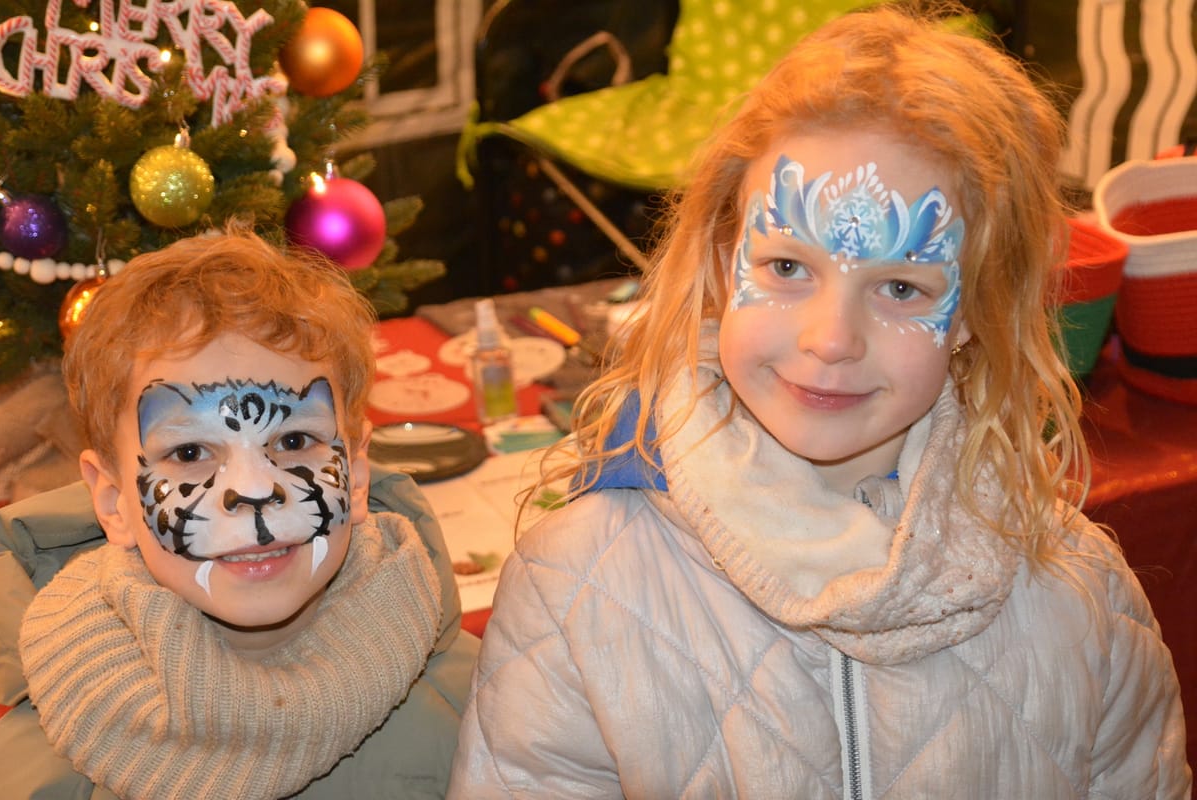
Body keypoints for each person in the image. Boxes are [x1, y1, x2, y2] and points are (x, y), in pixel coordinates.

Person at [447, 4, 1191, 798]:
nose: (831, 339)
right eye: (788, 268)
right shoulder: (579, 586)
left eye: (901, 287)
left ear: (975, 311)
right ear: (725, 256)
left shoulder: (1083, 600)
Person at [0, 227, 478, 799]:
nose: (254, 491)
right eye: (191, 453)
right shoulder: (38, 769)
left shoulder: (477, 706)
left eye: (295, 442)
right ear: (113, 502)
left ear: (359, 470)